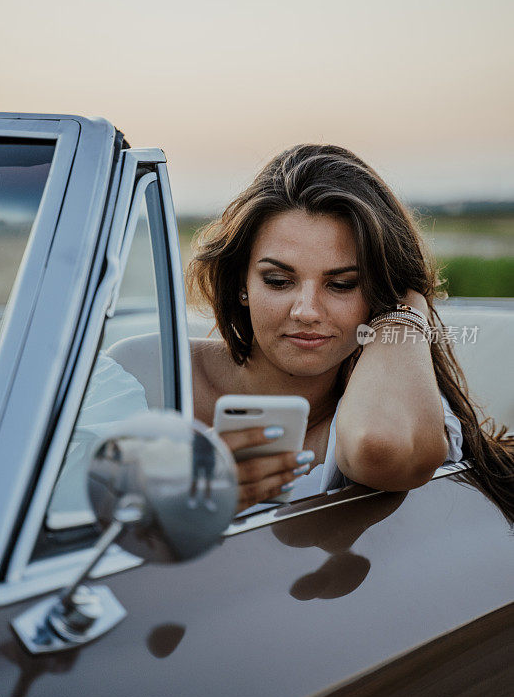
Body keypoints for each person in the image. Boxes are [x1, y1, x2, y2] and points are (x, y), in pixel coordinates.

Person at [187, 144, 514, 519]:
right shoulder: (148, 371)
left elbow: (378, 446)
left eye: (342, 284)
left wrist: (407, 307)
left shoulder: (397, 403)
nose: (306, 311)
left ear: (378, 296)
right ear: (242, 283)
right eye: (278, 280)